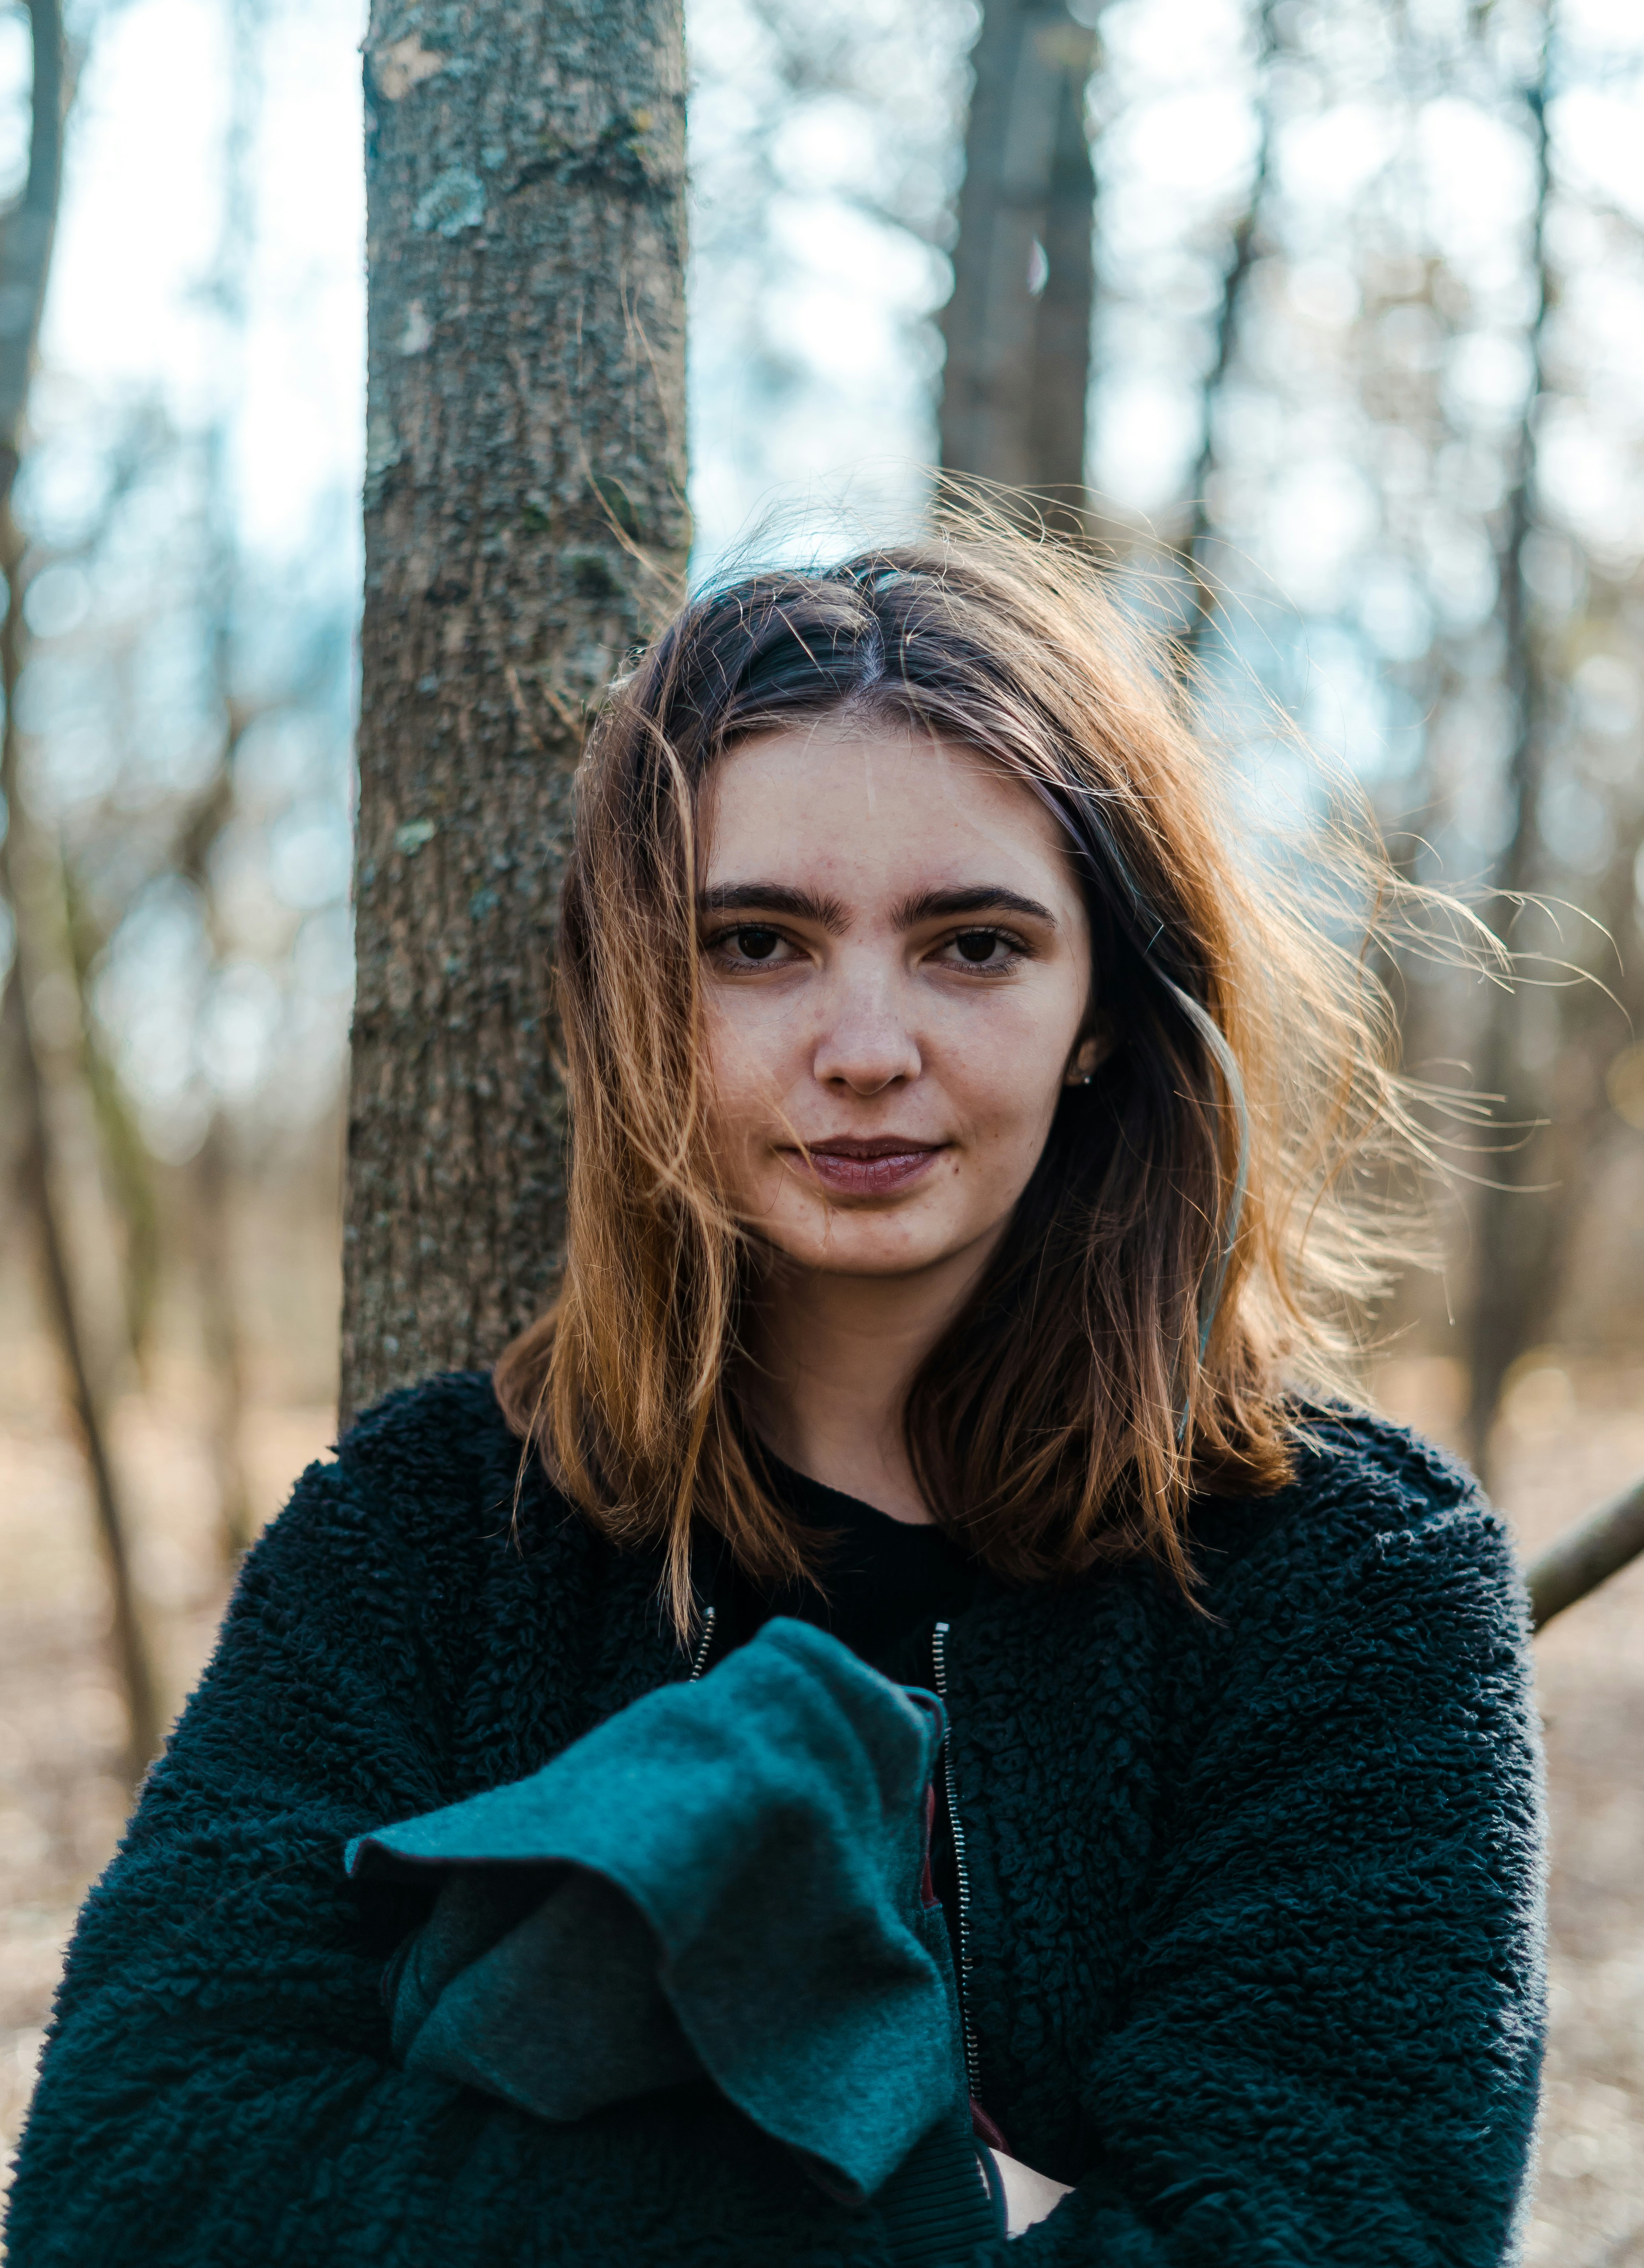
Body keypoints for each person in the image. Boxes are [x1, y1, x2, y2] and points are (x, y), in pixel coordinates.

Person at [6, 531, 1545, 2266]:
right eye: (756, 943)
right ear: (640, 997)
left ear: (1100, 1009)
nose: (865, 1045)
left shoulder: (1346, 1577)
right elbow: (131, 2191)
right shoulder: (436, 1527)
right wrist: (945, 2210)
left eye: (972, 945)